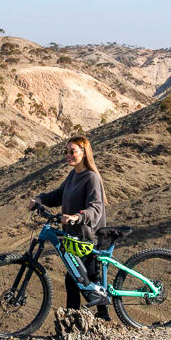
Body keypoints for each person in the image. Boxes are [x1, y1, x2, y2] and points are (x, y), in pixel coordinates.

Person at [27, 136, 110, 320]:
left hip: (89, 238)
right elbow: (59, 194)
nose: (68, 155)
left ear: (84, 152)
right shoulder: (74, 175)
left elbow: (96, 208)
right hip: (75, 238)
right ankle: (77, 322)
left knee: (82, 281)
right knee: (78, 280)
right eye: (66, 152)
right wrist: (40, 199)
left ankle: (99, 320)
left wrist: (76, 217)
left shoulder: (91, 177)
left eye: (72, 151)